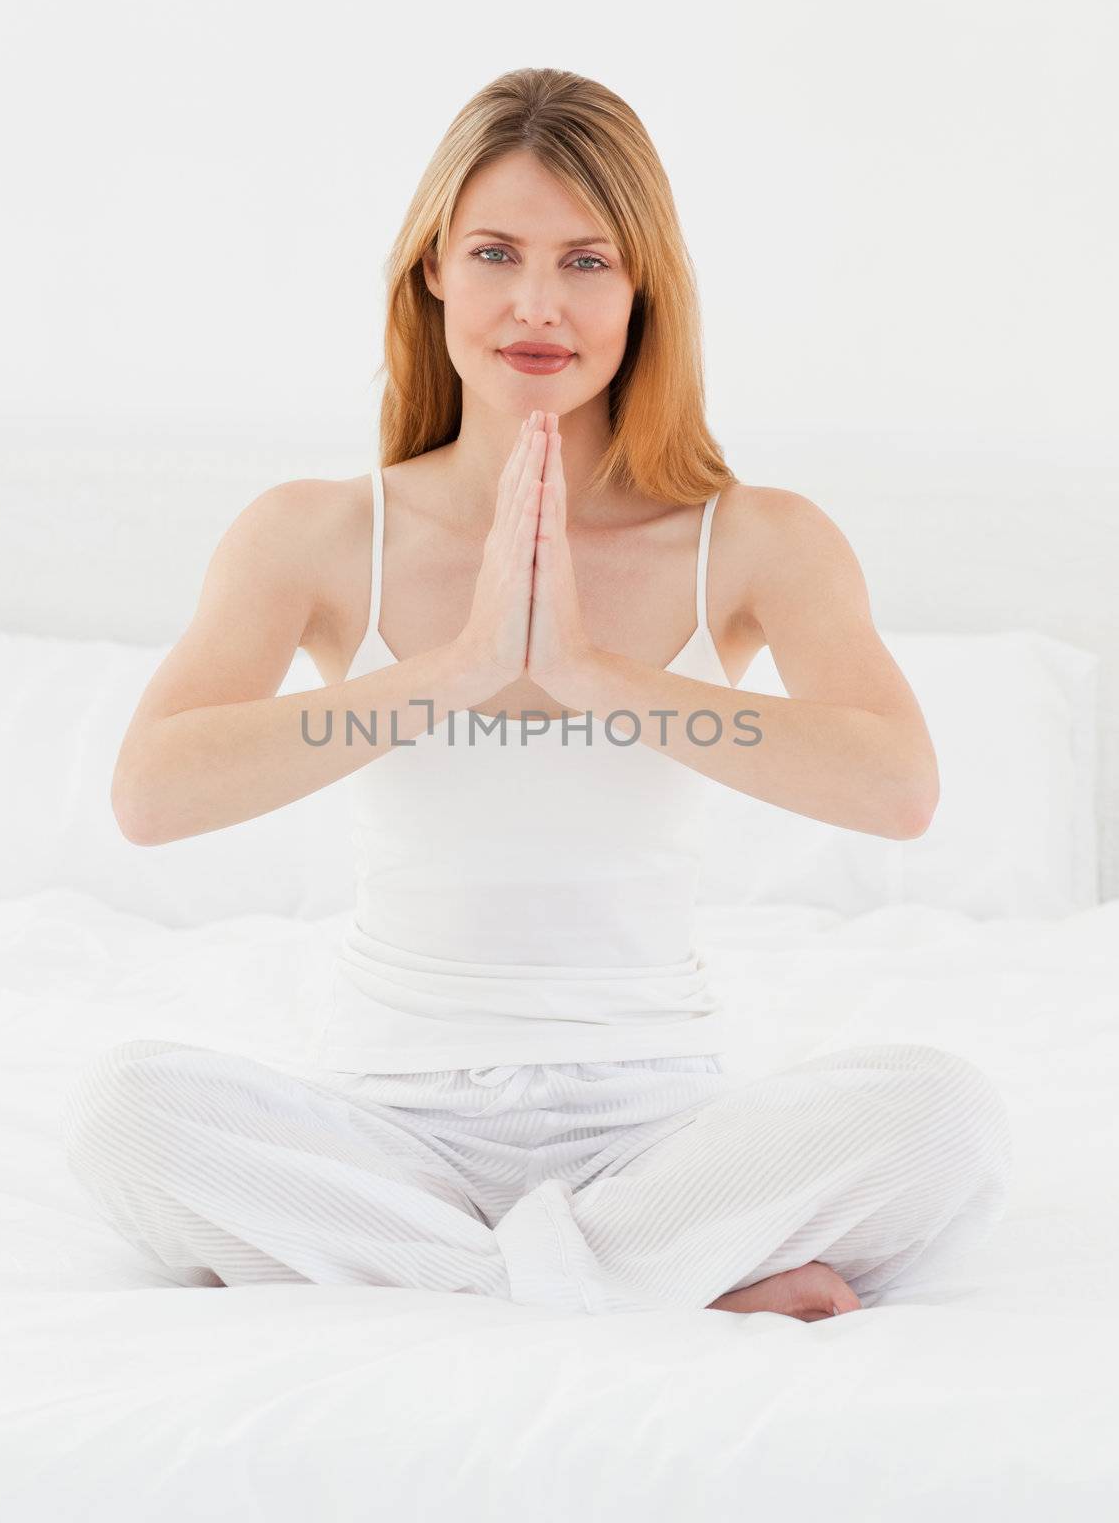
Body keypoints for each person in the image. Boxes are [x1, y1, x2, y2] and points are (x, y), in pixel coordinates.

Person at [61, 67, 1011, 1320]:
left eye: (585, 261)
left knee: (945, 1117)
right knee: (123, 1114)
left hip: (659, 1138)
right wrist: (454, 669)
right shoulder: (314, 533)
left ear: (642, 292)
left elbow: (898, 788)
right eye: (496, 252)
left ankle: (444, 1272)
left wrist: (587, 672)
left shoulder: (759, 540)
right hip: (391, 1129)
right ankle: (633, 1277)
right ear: (433, 274)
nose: (535, 303)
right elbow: (150, 795)